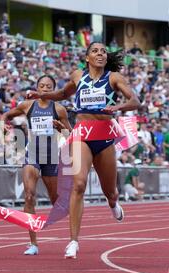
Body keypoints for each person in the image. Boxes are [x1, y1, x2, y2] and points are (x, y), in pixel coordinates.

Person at [27, 42, 140, 258]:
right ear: (87, 57)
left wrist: (117, 108)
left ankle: (113, 203)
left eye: (103, 51)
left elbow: (135, 101)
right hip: (82, 133)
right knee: (78, 184)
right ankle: (73, 242)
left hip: (105, 134)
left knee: (111, 192)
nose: (100, 54)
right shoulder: (78, 75)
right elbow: (62, 93)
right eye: (95, 51)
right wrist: (40, 96)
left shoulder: (114, 77)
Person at [2, 75, 71, 256]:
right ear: (37, 88)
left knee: (56, 202)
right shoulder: (28, 106)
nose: (45, 89)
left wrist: (59, 128)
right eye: (42, 86)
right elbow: (7, 115)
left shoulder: (59, 109)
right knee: (29, 196)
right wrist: (4, 124)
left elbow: (70, 134)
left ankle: (73, 235)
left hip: (51, 158)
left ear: (54, 90)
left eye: (49, 86)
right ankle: (33, 243)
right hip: (32, 155)